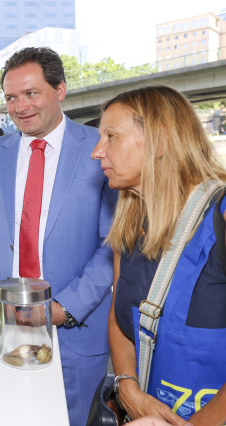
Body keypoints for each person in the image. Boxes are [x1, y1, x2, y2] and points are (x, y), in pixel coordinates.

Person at [0, 46, 117, 426]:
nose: (20, 107)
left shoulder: (101, 148)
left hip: (76, 332)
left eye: (31, 93)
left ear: (60, 89)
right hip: (5, 327)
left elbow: (113, 244)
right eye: (11, 97)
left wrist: (64, 309)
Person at [92, 86, 226, 425]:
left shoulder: (221, 217)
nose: (97, 152)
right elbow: (119, 317)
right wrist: (127, 387)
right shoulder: (130, 225)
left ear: (160, 142)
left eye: (111, 137)